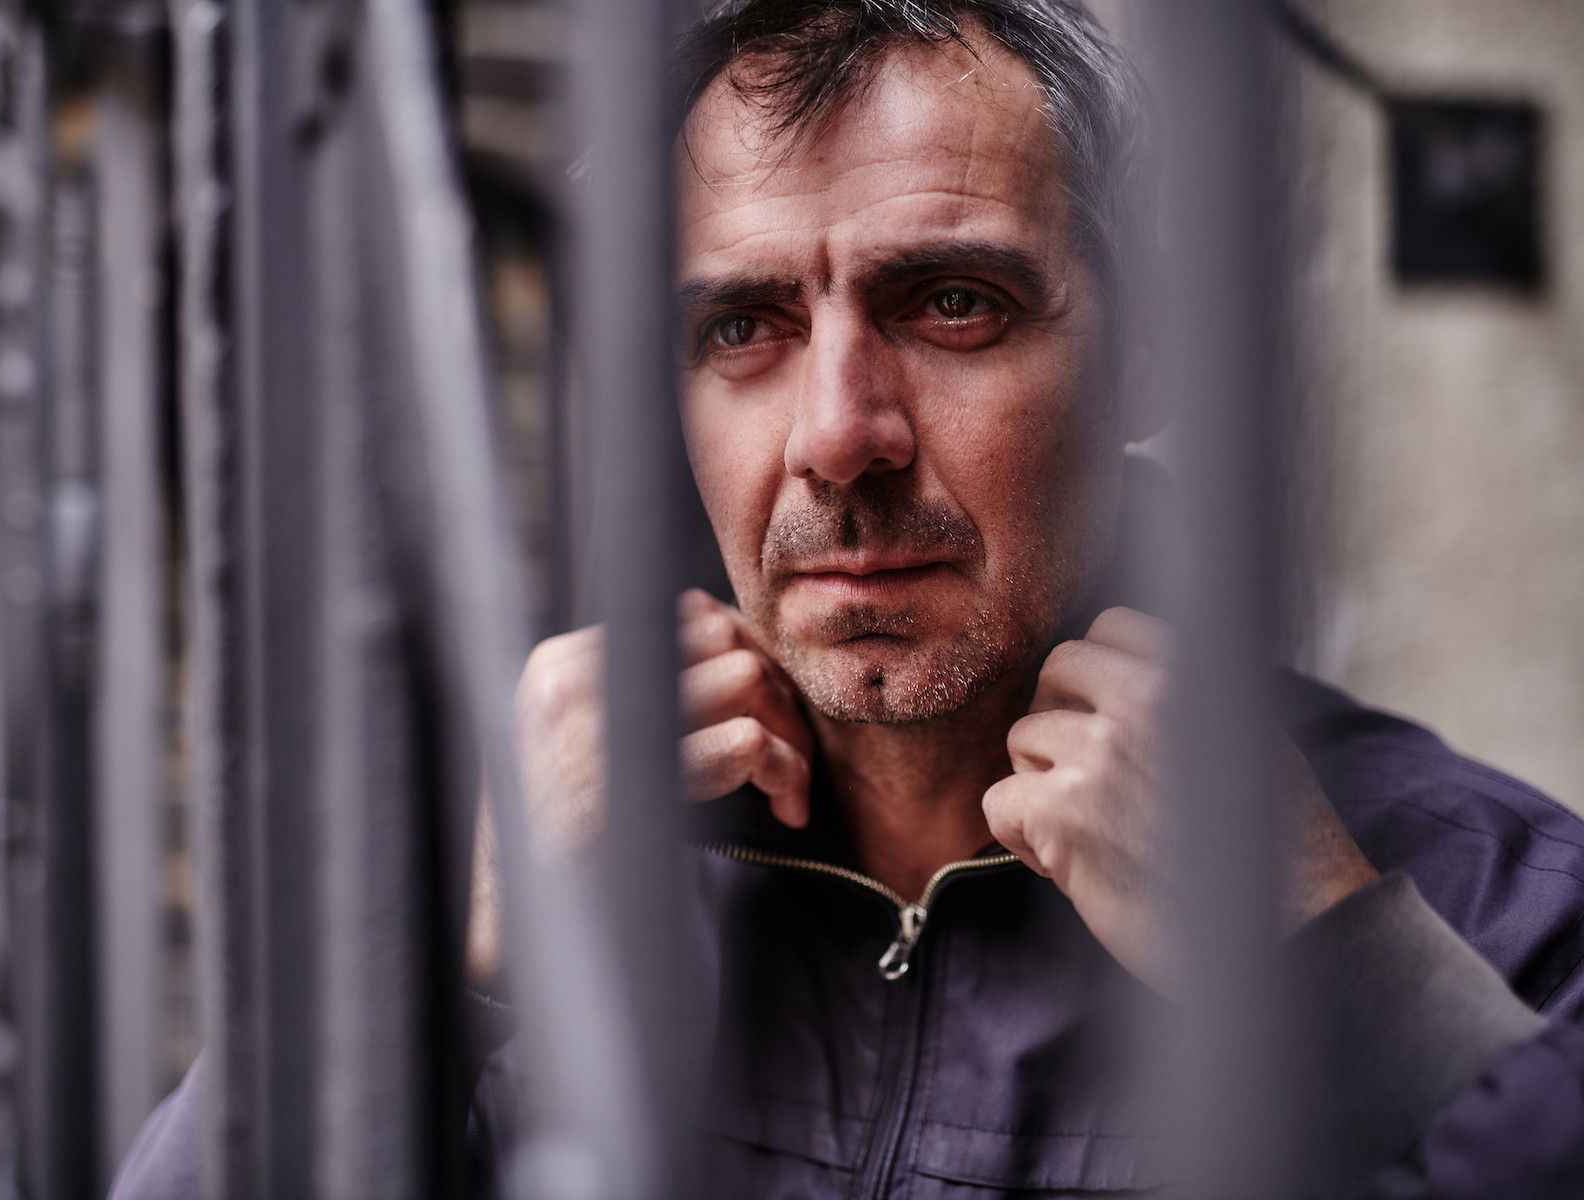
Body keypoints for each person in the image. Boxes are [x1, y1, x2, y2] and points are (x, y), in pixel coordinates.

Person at [112, 2, 1584, 1197]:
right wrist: (426, 987)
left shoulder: (1497, 909)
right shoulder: (554, 878)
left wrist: (1347, 985)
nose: (838, 434)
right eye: (740, 325)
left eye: (952, 304)